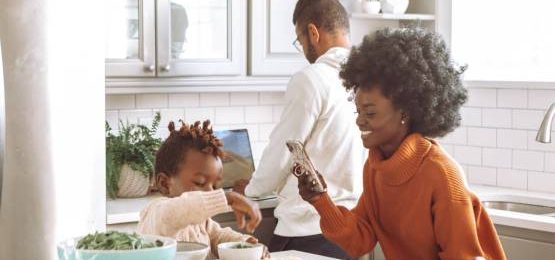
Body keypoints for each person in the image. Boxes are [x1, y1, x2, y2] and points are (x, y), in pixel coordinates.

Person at [296, 28, 507, 259]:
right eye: (358, 110)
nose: (359, 120)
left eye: (370, 112)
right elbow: (359, 240)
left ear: (404, 112)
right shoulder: (376, 168)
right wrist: (320, 199)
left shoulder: (442, 175)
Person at [234, 0, 364, 258]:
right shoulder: (370, 79)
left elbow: (283, 152)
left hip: (306, 231)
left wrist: (248, 190)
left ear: (313, 33)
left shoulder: (312, 79)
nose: (303, 49)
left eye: (300, 40)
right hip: (351, 230)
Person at [137, 120, 268, 259]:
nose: (211, 192)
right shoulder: (157, 213)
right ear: (164, 183)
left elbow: (217, 237)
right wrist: (227, 198)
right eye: (200, 183)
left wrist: (245, 243)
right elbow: (179, 208)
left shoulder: (201, 222)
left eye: (215, 186)